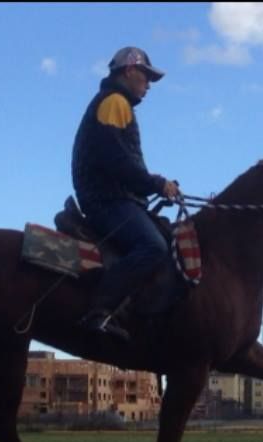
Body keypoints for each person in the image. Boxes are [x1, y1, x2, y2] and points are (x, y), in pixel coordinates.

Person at [71, 46, 181, 341]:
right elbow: (116, 159)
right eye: (146, 77)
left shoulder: (117, 103)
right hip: (107, 200)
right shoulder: (115, 102)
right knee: (153, 246)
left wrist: (150, 186)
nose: (148, 86)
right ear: (130, 71)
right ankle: (100, 311)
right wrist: (156, 183)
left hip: (113, 196)